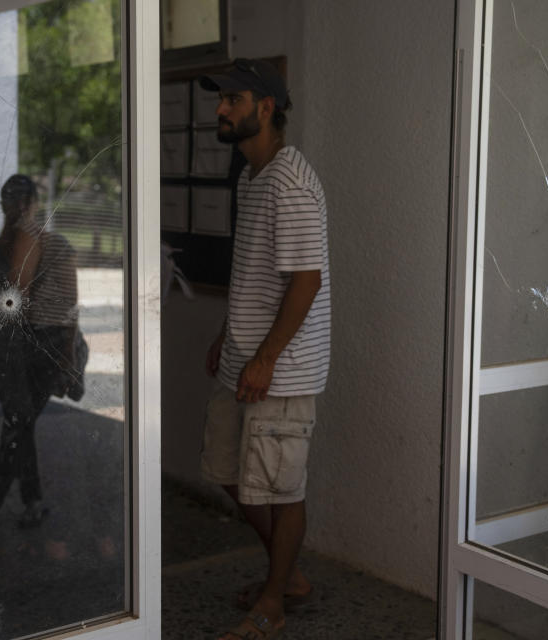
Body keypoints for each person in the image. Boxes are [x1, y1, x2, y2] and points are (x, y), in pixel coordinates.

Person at [198, 59, 331, 640]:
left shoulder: (292, 182)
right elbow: (257, 275)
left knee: (281, 489)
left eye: (233, 98)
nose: (221, 109)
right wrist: (230, 335)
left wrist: (266, 358)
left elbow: (307, 281)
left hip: (282, 370)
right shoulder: (252, 177)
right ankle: (290, 577)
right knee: (229, 473)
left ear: (266, 108)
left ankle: (274, 601)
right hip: (245, 361)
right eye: (221, 99)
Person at [0, 174, 80, 536]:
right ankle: (31, 502)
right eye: (11, 205)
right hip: (16, 352)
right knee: (20, 425)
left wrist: (67, 356)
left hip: (42, 350)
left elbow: (70, 306)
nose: (15, 212)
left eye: (18, 204)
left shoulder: (55, 246)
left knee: (18, 425)